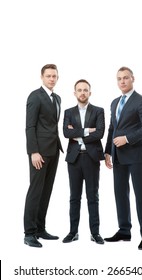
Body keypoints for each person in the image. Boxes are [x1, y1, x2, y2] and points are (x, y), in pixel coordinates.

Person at [104, 66, 142, 250]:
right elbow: (112, 129)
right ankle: (124, 230)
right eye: (119, 78)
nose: (122, 81)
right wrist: (107, 151)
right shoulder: (114, 102)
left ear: (133, 79)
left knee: (140, 193)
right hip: (117, 155)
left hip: (135, 153)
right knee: (120, 193)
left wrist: (127, 139)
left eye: (126, 78)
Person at [24, 64, 63, 247]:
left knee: (46, 191)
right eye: (48, 76)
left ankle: (40, 228)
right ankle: (29, 233)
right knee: (35, 191)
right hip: (39, 153)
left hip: (54, 150)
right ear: (42, 77)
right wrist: (33, 152)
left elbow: (52, 124)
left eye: (54, 76)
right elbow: (30, 126)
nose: (52, 79)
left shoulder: (57, 98)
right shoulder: (35, 96)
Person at [62, 79, 105, 244]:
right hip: (74, 159)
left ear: (90, 93)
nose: (82, 93)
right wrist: (88, 130)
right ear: (74, 93)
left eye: (85, 90)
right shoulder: (68, 112)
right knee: (74, 197)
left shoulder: (98, 111)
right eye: (79, 90)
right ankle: (73, 232)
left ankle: (95, 233)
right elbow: (66, 133)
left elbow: (100, 133)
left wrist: (77, 133)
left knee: (93, 196)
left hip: (91, 158)